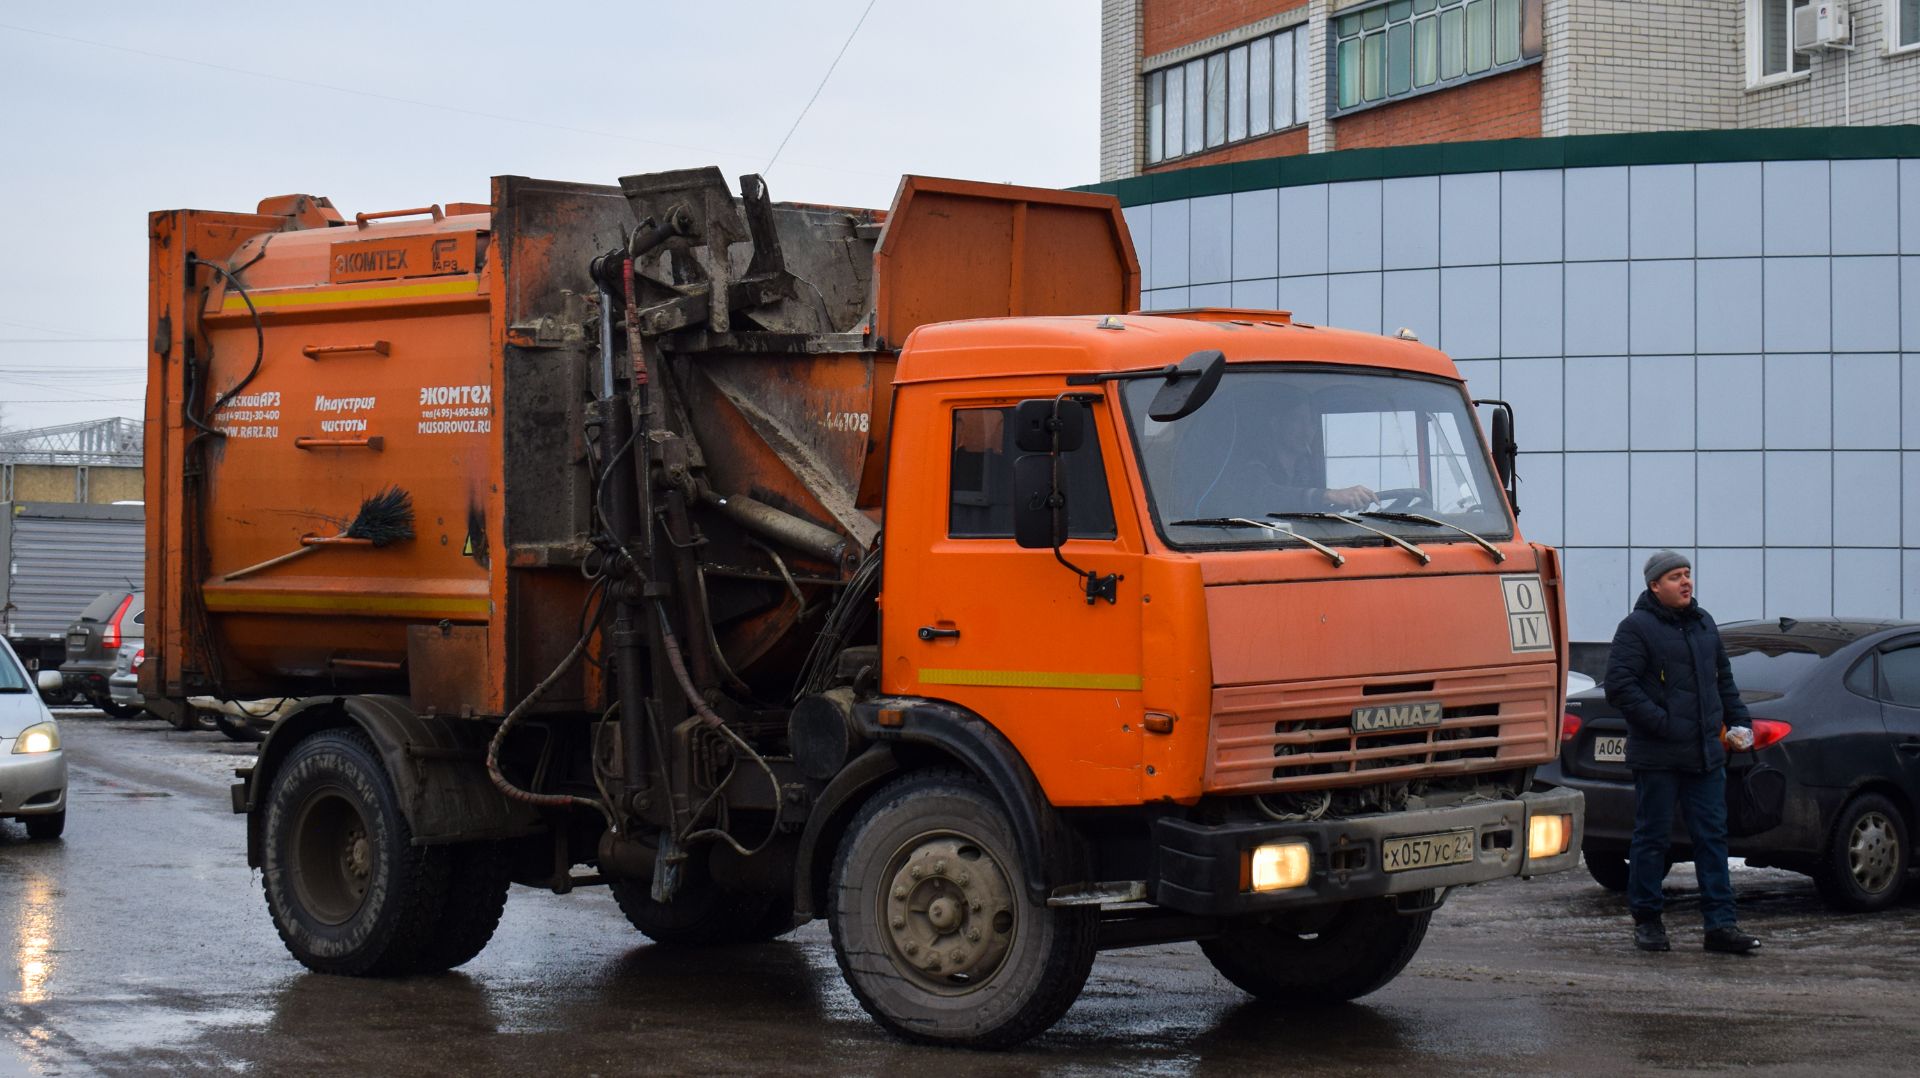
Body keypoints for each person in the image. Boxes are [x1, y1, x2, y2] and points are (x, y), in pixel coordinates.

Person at [1603, 551, 1762, 955]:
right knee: (1652, 839)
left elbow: (1723, 681)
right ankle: (1648, 922)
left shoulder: (1703, 623)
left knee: (1713, 839)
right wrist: (1664, 724)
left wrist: (1740, 721)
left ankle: (1721, 926)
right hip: (1658, 757)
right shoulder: (1636, 627)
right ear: (1655, 586)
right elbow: (1619, 686)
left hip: (1705, 756)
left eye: (1687, 574)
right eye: (1675, 576)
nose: (1685, 582)